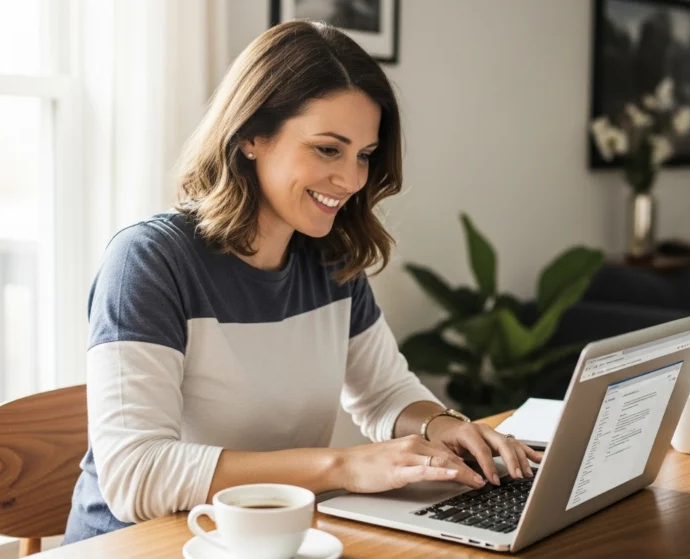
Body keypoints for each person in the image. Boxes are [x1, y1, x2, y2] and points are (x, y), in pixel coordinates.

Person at [62, 20, 540, 544]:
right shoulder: (150, 261)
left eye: (363, 155)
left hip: (270, 539)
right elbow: (137, 475)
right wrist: (343, 467)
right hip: (143, 543)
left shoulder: (331, 258)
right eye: (328, 149)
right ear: (250, 136)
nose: (353, 180)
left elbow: (383, 391)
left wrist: (441, 424)